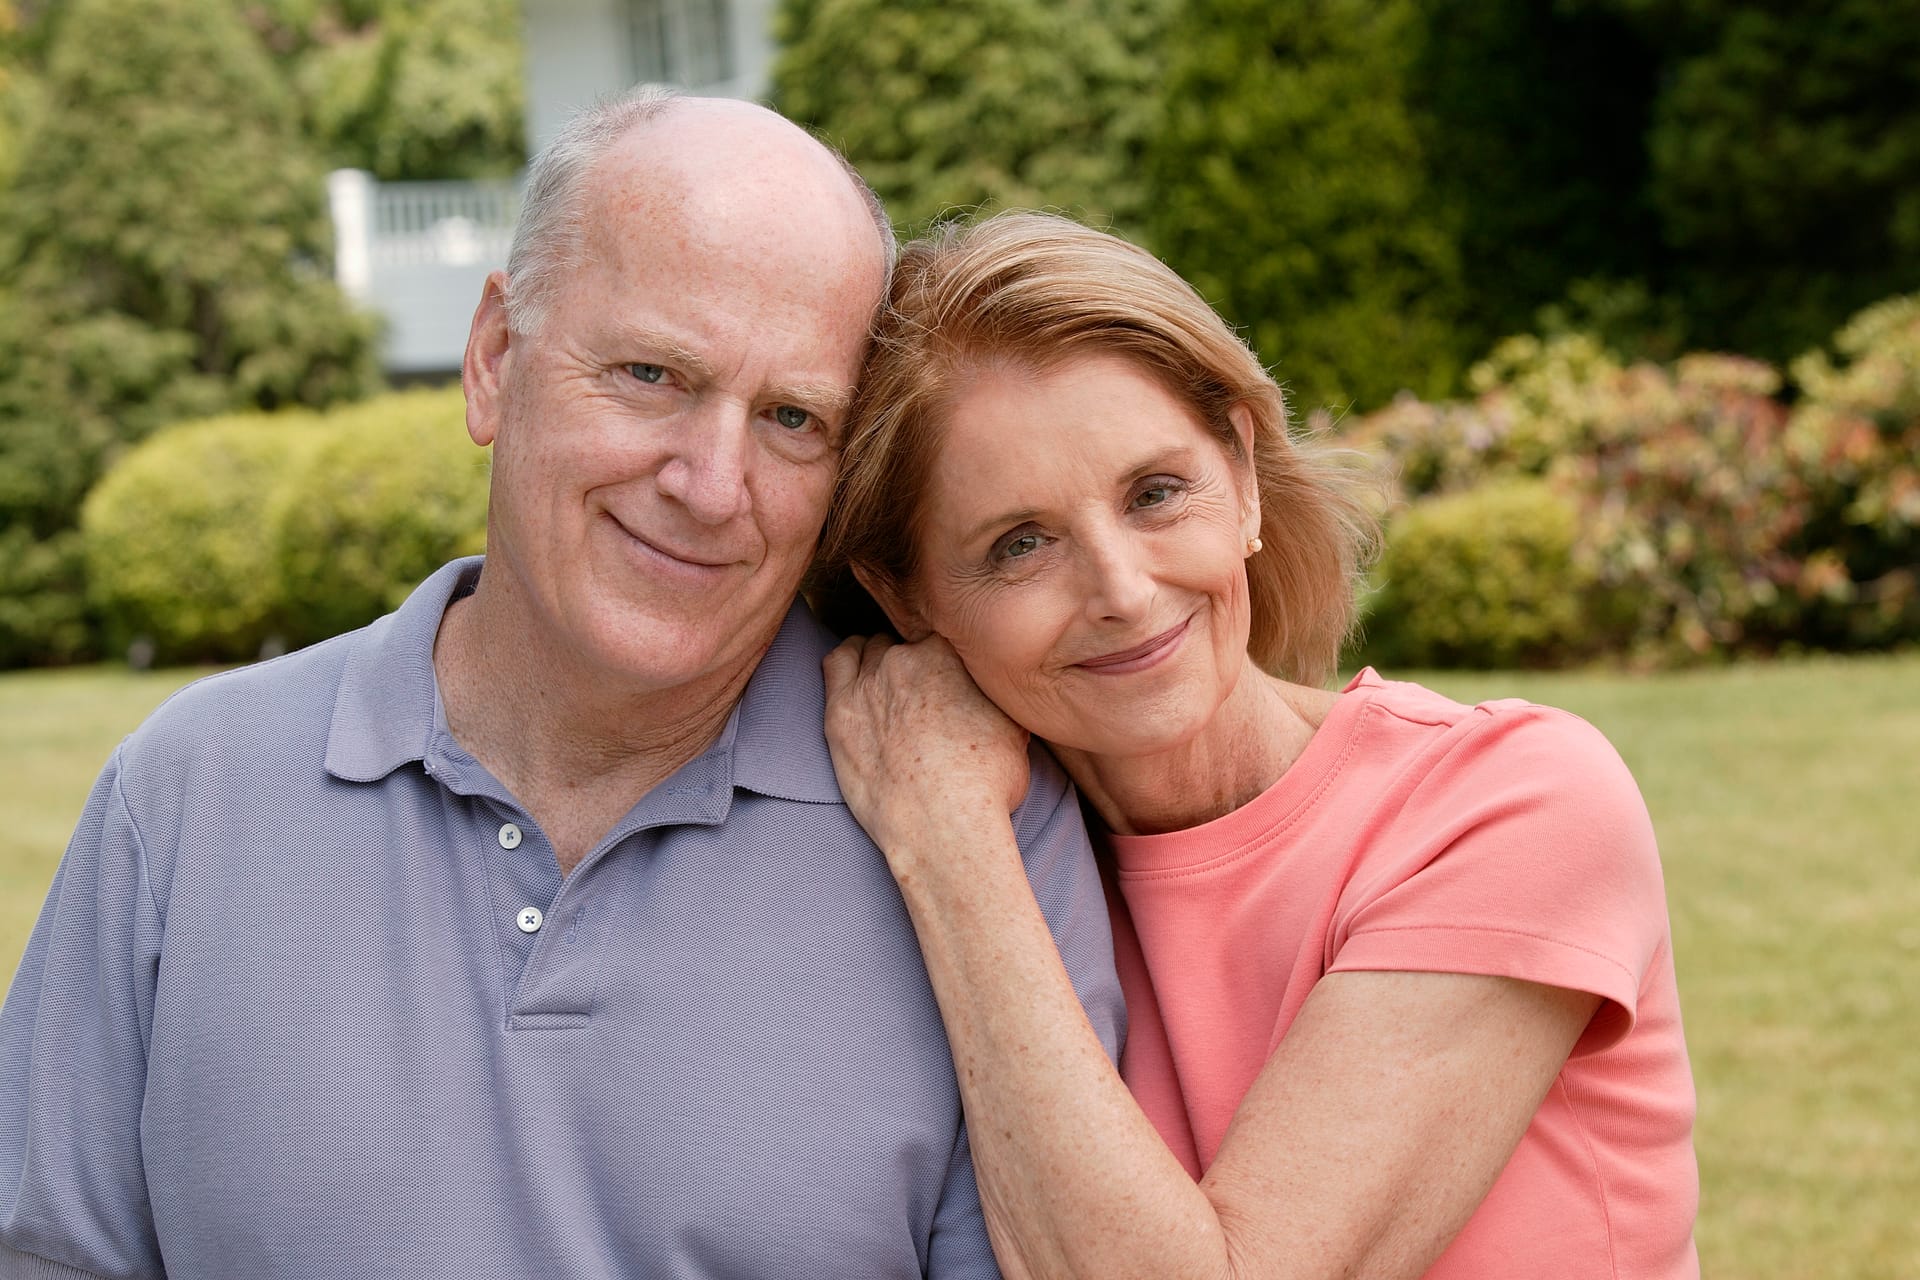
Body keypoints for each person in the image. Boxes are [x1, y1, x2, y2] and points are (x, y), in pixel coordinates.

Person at [0, 99, 1123, 1279]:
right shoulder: (186, 793)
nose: (709, 482)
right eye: (650, 374)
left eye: (792, 418)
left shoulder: (971, 819)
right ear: (495, 358)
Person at [815, 211, 1699, 1279]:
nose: (1125, 591)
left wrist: (947, 834)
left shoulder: (1513, 804)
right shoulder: (1031, 863)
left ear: (1240, 472)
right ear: (904, 593)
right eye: (1020, 544)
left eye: (1155, 492)